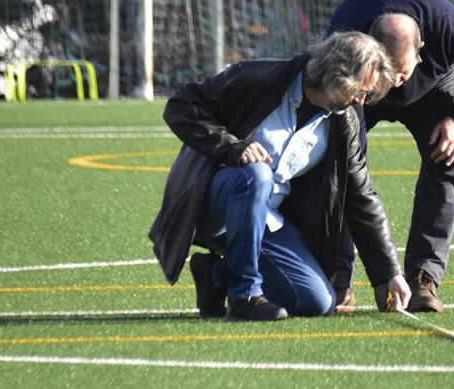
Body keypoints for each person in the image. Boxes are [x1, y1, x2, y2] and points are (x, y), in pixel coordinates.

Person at [148, 32, 412, 320]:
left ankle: (217, 275)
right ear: (339, 76)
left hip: (266, 217)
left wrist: (389, 273)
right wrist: (231, 147)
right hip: (210, 203)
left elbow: (361, 194)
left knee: (317, 302)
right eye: (361, 91)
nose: (362, 102)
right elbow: (181, 106)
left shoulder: (346, 120)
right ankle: (244, 296)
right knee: (256, 175)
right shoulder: (260, 78)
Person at [328, 0, 454, 312]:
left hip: (432, 88)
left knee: (445, 158)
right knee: (336, 166)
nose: (396, 81)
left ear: (422, 47)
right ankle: (337, 280)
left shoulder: (448, 28)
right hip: (362, 88)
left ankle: (423, 278)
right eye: (388, 71)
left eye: (402, 71)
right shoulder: (344, 38)